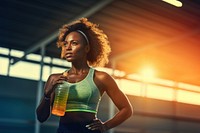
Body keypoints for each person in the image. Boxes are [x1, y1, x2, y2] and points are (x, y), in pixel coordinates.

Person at [36, 18, 133, 133]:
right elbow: (41, 118)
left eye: (74, 43)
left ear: (87, 48)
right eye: (65, 44)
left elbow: (127, 109)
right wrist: (47, 95)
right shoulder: (55, 79)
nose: (68, 48)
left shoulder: (101, 78)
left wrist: (106, 126)